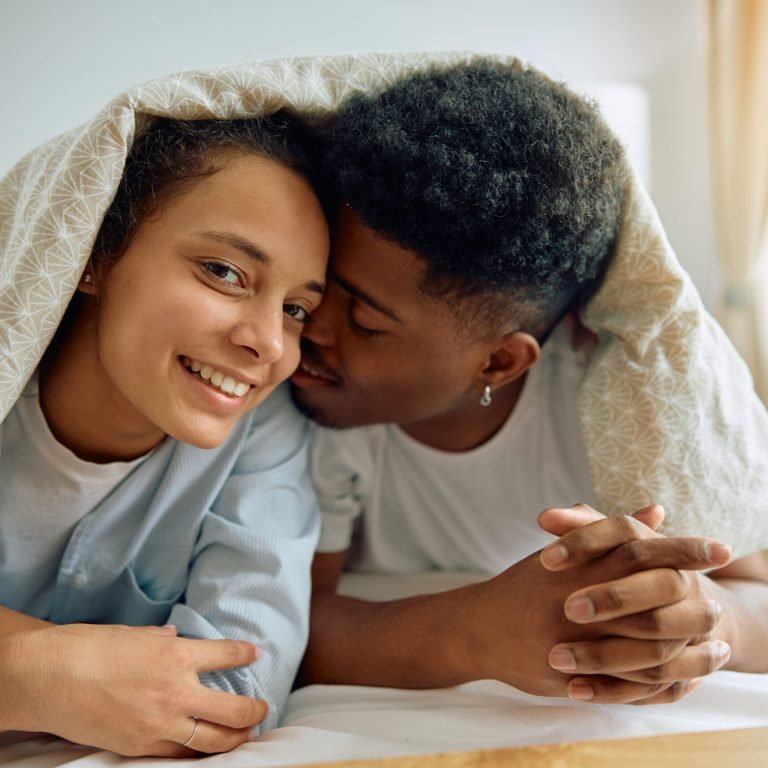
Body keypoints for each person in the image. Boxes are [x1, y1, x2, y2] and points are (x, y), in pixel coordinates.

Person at [291, 60, 768, 702]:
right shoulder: (312, 403)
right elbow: (289, 619)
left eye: (365, 319)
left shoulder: (619, 405)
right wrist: (473, 631)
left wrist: (702, 618)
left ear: (499, 364)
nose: (308, 325)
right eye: (320, 286)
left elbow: (753, 584)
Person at [0, 114, 329, 756]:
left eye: (296, 310)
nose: (266, 343)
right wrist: (34, 675)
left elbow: (233, 696)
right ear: (94, 249)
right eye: (224, 271)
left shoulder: (264, 428)